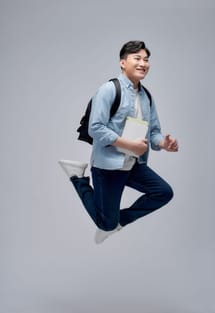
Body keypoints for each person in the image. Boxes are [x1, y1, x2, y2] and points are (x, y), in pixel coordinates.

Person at [59, 40, 178, 244]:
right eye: (137, 58)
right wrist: (129, 145)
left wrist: (163, 144)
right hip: (108, 167)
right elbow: (95, 128)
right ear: (123, 62)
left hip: (134, 164)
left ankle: (117, 222)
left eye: (146, 59)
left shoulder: (146, 96)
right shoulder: (108, 89)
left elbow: (154, 132)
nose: (143, 63)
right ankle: (77, 177)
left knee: (163, 193)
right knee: (105, 224)